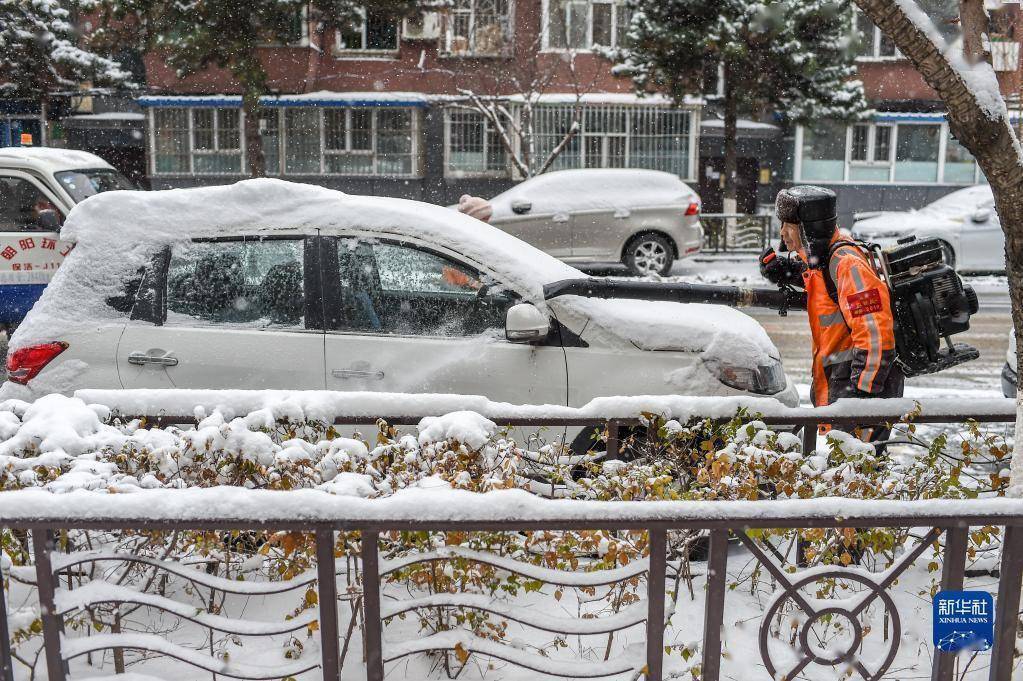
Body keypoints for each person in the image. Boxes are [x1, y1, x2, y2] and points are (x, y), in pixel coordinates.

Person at [759, 185, 904, 445]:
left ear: (808, 228)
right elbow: (823, 288)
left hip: (860, 393)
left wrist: (860, 399)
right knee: (838, 477)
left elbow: (876, 337)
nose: (782, 233)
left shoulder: (847, 264)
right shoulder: (824, 260)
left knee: (857, 476)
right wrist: (787, 271)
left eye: (789, 226)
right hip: (840, 386)